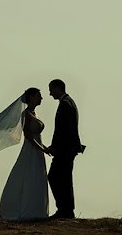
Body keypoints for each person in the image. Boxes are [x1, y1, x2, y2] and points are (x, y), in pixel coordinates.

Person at [0, 87, 51, 220]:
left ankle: (37, 209)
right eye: (39, 95)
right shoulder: (26, 114)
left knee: (37, 176)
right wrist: (42, 149)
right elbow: (28, 135)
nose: (41, 98)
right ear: (32, 97)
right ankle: (25, 209)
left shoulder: (35, 113)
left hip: (37, 149)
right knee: (28, 175)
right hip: (30, 150)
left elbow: (36, 137)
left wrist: (44, 147)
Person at [46, 79, 84, 219]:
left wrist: (55, 147)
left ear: (57, 88)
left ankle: (64, 209)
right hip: (69, 148)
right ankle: (67, 210)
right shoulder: (69, 102)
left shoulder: (65, 104)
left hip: (65, 149)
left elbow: (62, 130)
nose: (50, 93)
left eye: (51, 90)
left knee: (55, 177)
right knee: (64, 178)